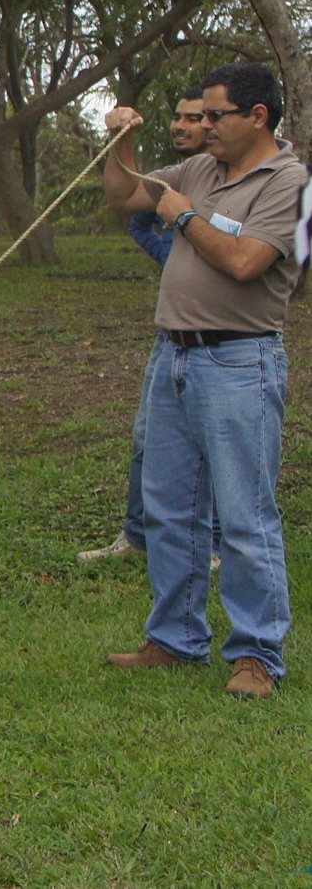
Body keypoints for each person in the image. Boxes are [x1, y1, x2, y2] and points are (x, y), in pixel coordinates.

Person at [99, 62, 301, 699]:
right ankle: (176, 640)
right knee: (169, 509)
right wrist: (122, 141)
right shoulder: (200, 170)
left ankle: (256, 656)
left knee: (244, 516)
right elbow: (125, 196)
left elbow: (246, 262)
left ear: (257, 117)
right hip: (173, 357)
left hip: (240, 361)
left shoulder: (289, 181)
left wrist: (186, 219)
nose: (202, 127)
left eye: (215, 116)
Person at [79, 88, 209, 564]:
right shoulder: (178, 174)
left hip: (223, 340)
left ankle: (211, 544)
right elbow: (128, 205)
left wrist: (192, 234)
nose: (181, 125)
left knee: (209, 445)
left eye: (194, 118)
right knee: (145, 436)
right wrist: (123, 139)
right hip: (170, 332)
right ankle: (136, 538)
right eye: (177, 116)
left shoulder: (239, 180)